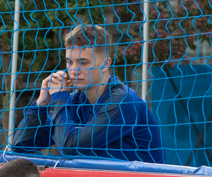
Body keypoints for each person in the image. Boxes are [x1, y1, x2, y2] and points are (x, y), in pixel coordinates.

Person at [11, 23, 163, 163]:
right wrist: (41, 104)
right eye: (69, 62)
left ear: (106, 64)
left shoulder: (122, 101)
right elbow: (20, 146)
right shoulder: (77, 101)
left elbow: (70, 147)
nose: (73, 70)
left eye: (83, 63)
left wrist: (59, 98)